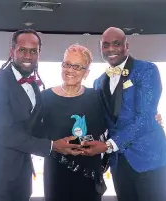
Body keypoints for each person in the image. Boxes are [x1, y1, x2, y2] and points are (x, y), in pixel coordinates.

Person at [0, 29, 81, 201]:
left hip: (22, 173)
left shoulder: (34, 86)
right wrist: (52, 145)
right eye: (22, 50)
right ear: (12, 51)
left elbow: (34, 127)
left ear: (38, 54)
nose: (28, 56)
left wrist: (73, 138)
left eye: (33, 51)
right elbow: (7, 135)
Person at [82, 27, 166, 201]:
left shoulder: (147, 70)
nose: (111, 49)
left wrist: (108, 145)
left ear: (126, 46)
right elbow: (102, 121)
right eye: (105, 45)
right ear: (101, 49)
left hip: (149, 159)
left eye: (116, 44)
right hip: (119, 164)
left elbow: (144, 118)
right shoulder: (99, 82)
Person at [32, 44, 108, 201]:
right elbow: (33, 132)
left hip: (89, 174)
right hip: (57, 174)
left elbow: (110, 128)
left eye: (77, 66)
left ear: (86, 72)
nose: (70, 70)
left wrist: (154, 117)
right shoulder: (44, 98)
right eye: (67, 64)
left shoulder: (96, 98)